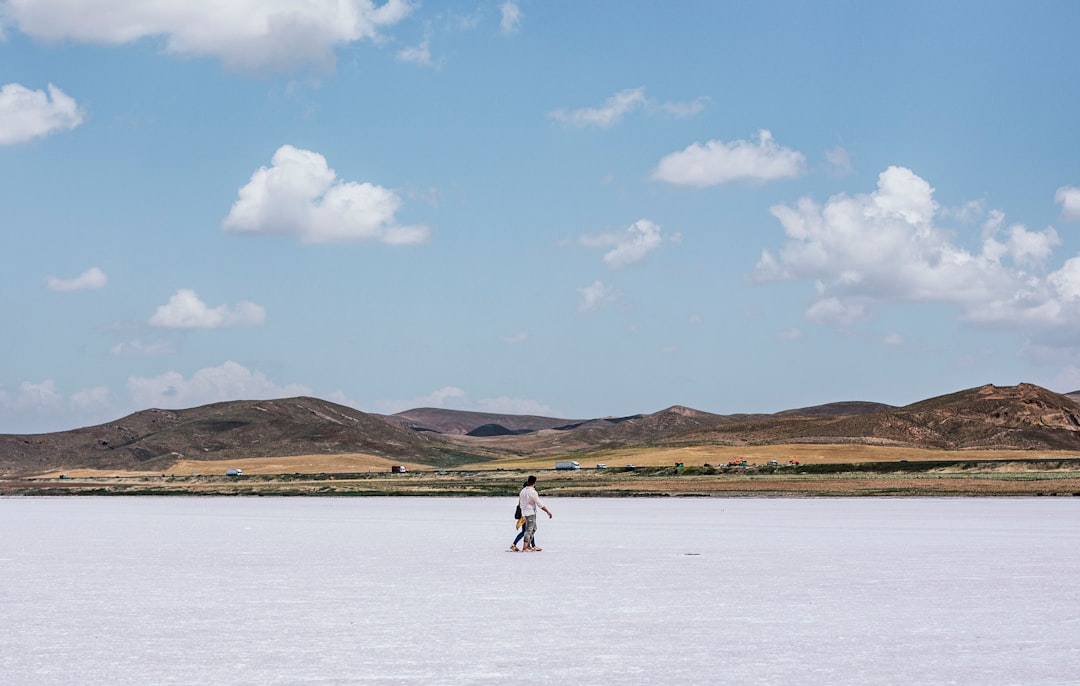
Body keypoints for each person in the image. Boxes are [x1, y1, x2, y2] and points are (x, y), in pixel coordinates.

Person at [517, 475, 552, 552]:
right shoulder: (532, 492)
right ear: (534, 482)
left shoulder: (522, 491)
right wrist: (547, 511)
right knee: (529, 530)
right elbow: (539, 504)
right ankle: (525, 547)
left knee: (534, 528)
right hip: (530, 513)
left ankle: (529, 545)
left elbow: (520, 503)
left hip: (524, 513)